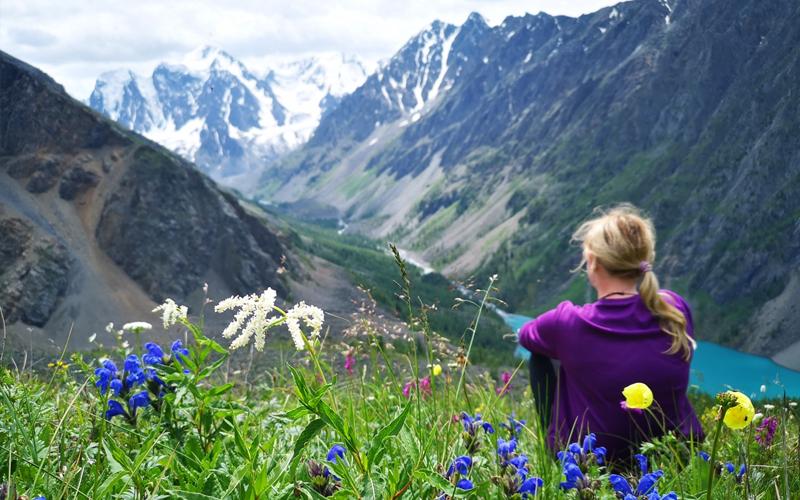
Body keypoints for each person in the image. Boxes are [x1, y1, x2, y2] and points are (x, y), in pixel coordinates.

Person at [518, 204, 704, 464]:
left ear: (592, 261)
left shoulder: (567, 322)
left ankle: (559, 452)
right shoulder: (673, 308)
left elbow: (526, 335)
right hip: (672, 455)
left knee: (541, 355)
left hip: (593, 464)